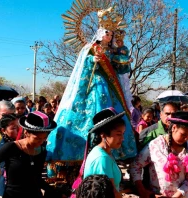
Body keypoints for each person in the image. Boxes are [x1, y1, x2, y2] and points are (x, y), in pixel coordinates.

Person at [46, 7, 137, 164]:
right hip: (93, 85)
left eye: (111, 33)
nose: (109, 36)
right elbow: (82, 66)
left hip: (111, 86)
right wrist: (91, 60)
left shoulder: (115, 50)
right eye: (106, 32)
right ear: (101, 32)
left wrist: (124, 61)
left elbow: (121, 69)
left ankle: (117, 152)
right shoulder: (90, 48)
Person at [130, 111, 188, 198]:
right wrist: (142, 190)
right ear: (174, 128)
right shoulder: (156, 145)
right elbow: (135, 165)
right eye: (183, 134)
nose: (186, 138)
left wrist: (177, 195)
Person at [0, 111, 62, 198]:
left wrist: (55, 191)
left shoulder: (42, 151)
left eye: (44, 138)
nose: (41, 141)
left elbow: (36, 179)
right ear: (26, 133)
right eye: (37, 138)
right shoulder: (11, 147)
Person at [84, 108, 125, 198]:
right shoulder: (102, 158)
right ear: (103, 135)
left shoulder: (105, 153)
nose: (122, 138)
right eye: (118, 134)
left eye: (123, 134)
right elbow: (110, 193)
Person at [0, 114, 18, 197]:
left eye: (18, 127)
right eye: (13, 128)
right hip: (6, 189)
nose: (17, 130)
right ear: (3, 130)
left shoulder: (18, 143)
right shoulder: (3, 147)